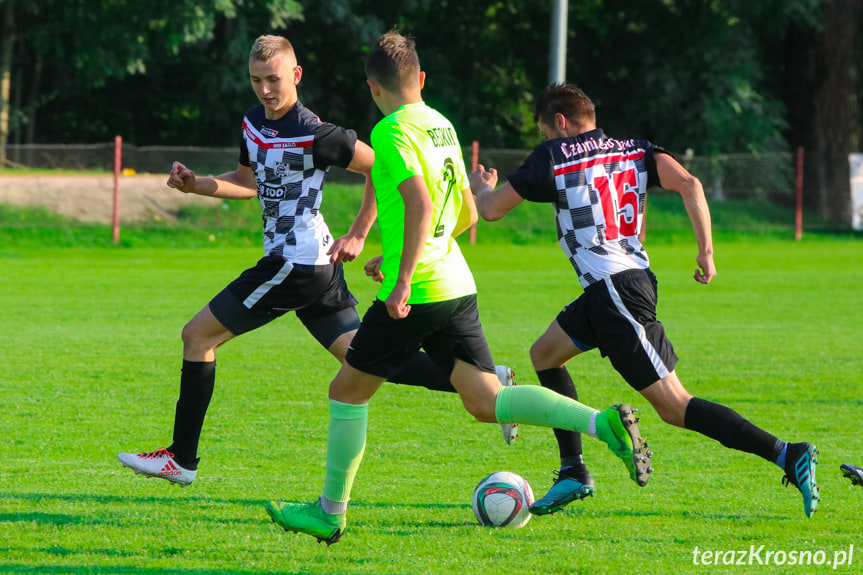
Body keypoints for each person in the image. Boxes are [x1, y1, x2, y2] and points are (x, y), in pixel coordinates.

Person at [264, 30, 654, 546]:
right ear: (420, 80)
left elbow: (421, 205)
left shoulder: (389, 132)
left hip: (422, 288)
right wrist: (398, 249)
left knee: (346, 390)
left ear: (372, 88)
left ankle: (330, 512)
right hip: (456, 282)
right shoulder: (440, 124)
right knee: (485, 398)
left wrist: (402, 277)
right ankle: (600, 424)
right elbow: (464, 211)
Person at [116, 35, 519, 488]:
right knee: (360, 356)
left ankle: (181, 459)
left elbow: (379, 167)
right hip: (313, 265)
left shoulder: (317, 133)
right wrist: (197, 185)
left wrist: (360, 233)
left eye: (273, 79)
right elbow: (246, 182)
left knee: (196, 336)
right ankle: (488, 384)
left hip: (297, 263)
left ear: (295, 75)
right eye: (256, 80)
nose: (265, 90)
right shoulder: (252, 123)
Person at [469, 83, 820, 518]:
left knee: (675, 407)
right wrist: (706, 251)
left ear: (559, 122)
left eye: (545, 131)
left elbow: (491, 210)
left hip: (615, 290)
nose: (545, 140)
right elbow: (690, 183)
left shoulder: (554, 156)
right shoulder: (635, 149)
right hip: (615, 287)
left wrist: (479, 186)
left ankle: (787, 453)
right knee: (544, 355)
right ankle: (573, 472)